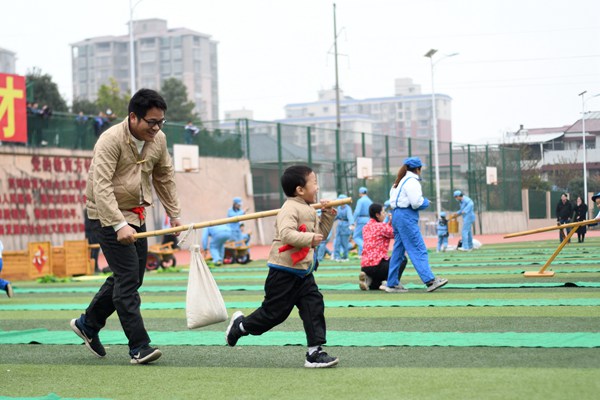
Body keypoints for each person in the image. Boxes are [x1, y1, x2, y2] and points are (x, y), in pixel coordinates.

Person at [70, 89, 182, 365]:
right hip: (106, 215)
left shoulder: (158, 140)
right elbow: (101, 186)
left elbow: (164, 177)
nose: (156, 128)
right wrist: (118, 224)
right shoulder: (109, 140)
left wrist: (175, 215)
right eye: (151, 122)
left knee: (131, 277)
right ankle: (139, 346)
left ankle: (88, 323)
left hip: (137, 215)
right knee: (129, 278)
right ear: (133, 117)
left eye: (160, 122)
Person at [225, 165, 339, 368]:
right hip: (283, 273)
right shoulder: (289, 209)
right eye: (314, 182)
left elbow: (318, 236)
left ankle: (314, 352)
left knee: (314, 306)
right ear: (300, 189)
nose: (318, 187)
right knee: (273, 314)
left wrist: (328, 215)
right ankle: (240, 326)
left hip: (303, 274)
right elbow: (287, 234)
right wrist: (310, 237)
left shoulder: (309, 208)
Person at [385, 157, 448, 293]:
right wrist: (426, 202)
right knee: (418, 248)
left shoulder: (398, 181)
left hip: (396, 215)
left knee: (398, 251)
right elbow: (416, 203)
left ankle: (392, 283)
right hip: (406, 217)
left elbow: (392, 201)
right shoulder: (412, 181)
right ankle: (430, 280)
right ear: (418, 169)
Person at [359, 203, 407, 291]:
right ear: (377, 215)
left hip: (365, 266)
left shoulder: (365, 227)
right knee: (402, 258)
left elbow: (384, 230)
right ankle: (392, 283)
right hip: (378, 266)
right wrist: (393, 221)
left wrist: (389, 222)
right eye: (383, 212)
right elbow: (395, 233)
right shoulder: (381, 226)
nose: (385, 214)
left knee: (376, 286)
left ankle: (368, 279)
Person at [352, 187, 372, 257]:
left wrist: (352, 221)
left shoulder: (360, 201)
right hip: (369, 220)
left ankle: (365, 248)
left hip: (361, 220)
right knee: (364, 237)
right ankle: (362, 254)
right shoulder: (370, 201)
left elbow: (357, 211)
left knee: (356, 236)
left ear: (360, 193)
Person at [333, 194, 353, 261]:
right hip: (339, 226)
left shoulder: (348, 208)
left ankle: (345, 256)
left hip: (345, 227)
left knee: (345, 243)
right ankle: (337, 256)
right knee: (337, 242)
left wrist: (351, 224)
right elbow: (336, 216)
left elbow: (350, 217)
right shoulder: (339, 208)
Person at [83, 209, 101, 273]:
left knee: (92, 251)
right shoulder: (91, 211)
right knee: (94, 251)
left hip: (90, 233)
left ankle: (93, 267)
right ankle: (94, 268)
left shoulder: (87, 210)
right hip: (93, 232)